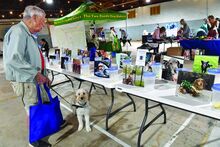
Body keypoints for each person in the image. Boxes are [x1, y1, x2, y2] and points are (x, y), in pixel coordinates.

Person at [3, 5, 55, 147]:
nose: (44, 24)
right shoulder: (18, 32)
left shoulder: (28, 34)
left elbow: (33, 58)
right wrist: (36, 74)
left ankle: (37, 136)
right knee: (32, 110)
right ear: (33, 18)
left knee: (36, 109)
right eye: (42, 21)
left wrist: (44, 75)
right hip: (26, 81)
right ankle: (33, 142)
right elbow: (13, 59)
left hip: (32, 78)